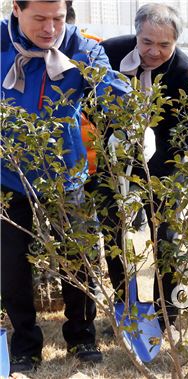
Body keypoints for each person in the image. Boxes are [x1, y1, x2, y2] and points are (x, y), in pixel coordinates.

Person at [0, 0, 130, 373]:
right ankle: (24, 343)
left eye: (57, 18)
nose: (49, 28)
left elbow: (111, 91)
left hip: (64, 170)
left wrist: (131, 120)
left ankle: (82, 335)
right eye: (39, 18)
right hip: (7, 174)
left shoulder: (80, 46)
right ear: (16, 9)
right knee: (11, 264)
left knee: (80, 257)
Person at [99, 3, 188, 329]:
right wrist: (112, 139)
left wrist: (150, 154)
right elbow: (88, 101)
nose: (154, 51)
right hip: (111, 164)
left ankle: (167, 311)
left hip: (162, 167)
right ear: (136, 33)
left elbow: (186, 133)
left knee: (166, 235)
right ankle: (125, 305)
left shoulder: (187, 73)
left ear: (176, 42)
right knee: (115, 235)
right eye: (146, 42)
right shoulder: (109, 53)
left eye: (164, 45)